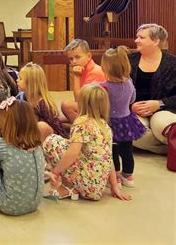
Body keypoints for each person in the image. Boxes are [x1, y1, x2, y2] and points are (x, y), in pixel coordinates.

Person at [43, 84, 131, 201]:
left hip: (86, 184)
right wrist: (114, 187)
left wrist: (56, 171)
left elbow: (72, 153)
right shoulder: (105, 126)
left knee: (52, 141)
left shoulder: (81, 123)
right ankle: (74, 186)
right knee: (69, 146)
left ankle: (67, 187)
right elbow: (108, 158)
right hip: (97, 188)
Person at [101, 46, 146, 187]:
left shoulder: (104, 86)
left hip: (110, 123)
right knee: (127, 150)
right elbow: (132, 99)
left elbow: (101, 105)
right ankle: (128, 176)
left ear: (106, 67)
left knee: (113, 150)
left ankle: (116, 178)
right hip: (127, 120)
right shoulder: (129, 82)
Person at [129, 24, 176, 154]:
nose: (136, 40)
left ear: (156, 41)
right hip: (136, 111)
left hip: (165, 110)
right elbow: (118, 90)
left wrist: (160, 104)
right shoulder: (128, 61)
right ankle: (169, 149)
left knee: (162, 124)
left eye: (141, 37)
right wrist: (130, 106)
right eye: (137, 37)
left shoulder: (173, 64)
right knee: (130, 130)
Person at [17, 63, 68, 139]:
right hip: (30, 134)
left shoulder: (42, 103)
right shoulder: (20, 97)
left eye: (20, 79)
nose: (17, 80)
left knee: (41, 126)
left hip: (47, 136)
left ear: (31, 83)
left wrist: (64, 138)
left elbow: (56, 125)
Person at [61, 39, 106, 124]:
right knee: (59, 121)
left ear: (89, 56)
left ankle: (84, 132)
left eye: (77, 57)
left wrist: (76, 77)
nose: (74, 61)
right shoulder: (82, 69)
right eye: (71, 59)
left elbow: (79, 101)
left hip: (100, 114)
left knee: (66, 105)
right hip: (90, 110)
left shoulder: (95, 72)